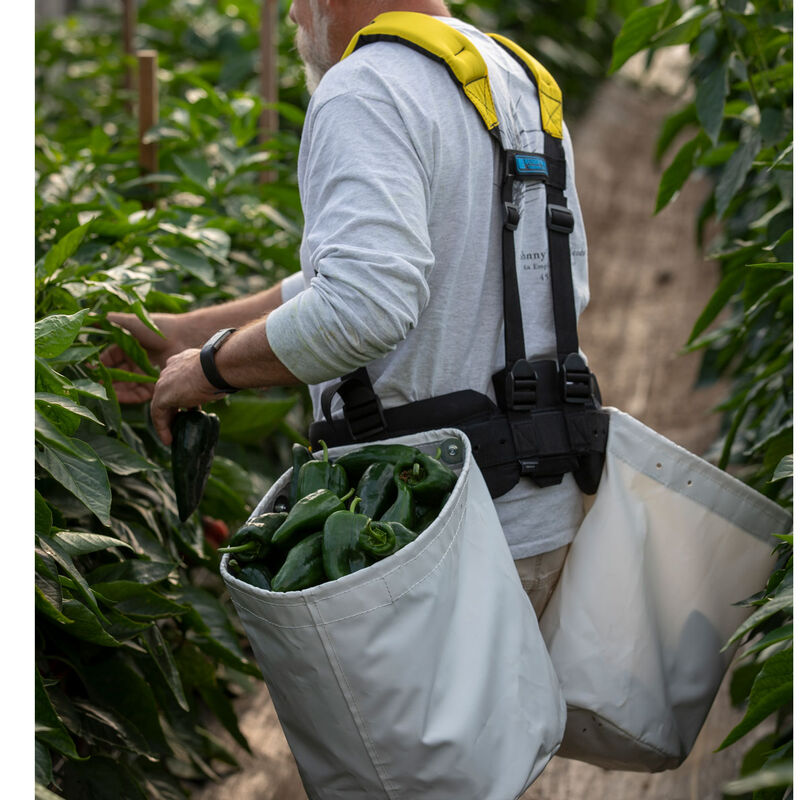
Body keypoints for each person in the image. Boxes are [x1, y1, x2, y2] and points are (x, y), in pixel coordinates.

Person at [102, 0, 591, 616]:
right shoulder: (511, 76)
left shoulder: (366, 86)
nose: (291, 15)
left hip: (422, 536)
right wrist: (184, 334)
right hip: (542, 510)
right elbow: (456, 275)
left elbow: (363, 306)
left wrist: (209, 367)